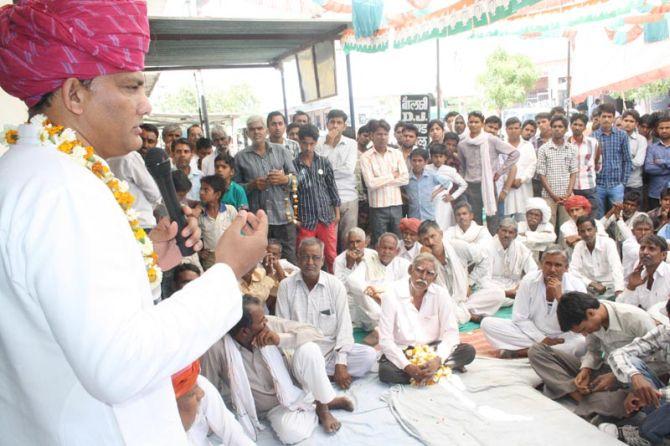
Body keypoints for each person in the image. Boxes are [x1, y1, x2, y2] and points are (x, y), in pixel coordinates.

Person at [0, 1, 270, 442]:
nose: (146, 105)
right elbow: (118, 363)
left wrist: (146, 259)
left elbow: (67, 306)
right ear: (74, 95)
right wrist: (227, 271)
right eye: (131, 87)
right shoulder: (63, 190)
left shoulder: (29, 171)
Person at [202, 295, 354, 444]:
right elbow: (208, 386)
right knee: (291, 434)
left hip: (294, 384)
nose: (266, 322)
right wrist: (208, 421)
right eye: (262, 321)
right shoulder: (217, 348)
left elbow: (315, 332)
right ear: (244, 332)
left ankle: (323, 407)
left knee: (310, 350)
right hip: (271, 408)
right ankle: (318, 401)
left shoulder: (269, 325)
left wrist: (280, 339)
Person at [529, 292, 657, 421]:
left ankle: (571, 392)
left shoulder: (635, 319)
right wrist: (586, 370)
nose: (585, 334)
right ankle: (579, 394)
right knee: (537, 351)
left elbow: (658, 362)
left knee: (626, 402)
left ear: (590, 313)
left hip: (633, 379)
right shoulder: (594, 320)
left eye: (584, 329)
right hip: (605, 371)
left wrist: (615, 376)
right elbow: (593, 351)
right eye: (581, 332)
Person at [277, 238, 377, 389]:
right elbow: (281, 328)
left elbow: (344, 327)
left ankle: (317, 377)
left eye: (315, 258)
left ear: (322, 260)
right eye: (305, 257)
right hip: (301, 353)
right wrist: (292, 361)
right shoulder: (286, 286)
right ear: (298, 259)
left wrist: (341, 363)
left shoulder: (335, 285)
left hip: (330, 352)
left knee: (368, 356)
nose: (310, 262)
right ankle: (316, 377)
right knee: (286, 359)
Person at [378, 253, 476, 384]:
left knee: (468, 352)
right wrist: (407, 366)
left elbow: (451, 332)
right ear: (410, 270)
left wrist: (437, 359)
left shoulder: (440, 294)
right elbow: (385, 340)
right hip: (404, 350)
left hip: (433, 350)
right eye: (419, 271)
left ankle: (429, 370)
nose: (423, 277)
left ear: (434, 277)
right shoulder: (391, 293)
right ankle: (432, 372)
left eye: (429, 274)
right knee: (386, 373)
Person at [480, 247, 587, 358]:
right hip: (533, 334)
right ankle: (545, 351)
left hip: (562, 336)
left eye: (558, 265)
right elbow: (520, 317)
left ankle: (524, 352)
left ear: (566, 268)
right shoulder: (529, 280)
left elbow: (580, 322)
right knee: (487, 324)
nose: (552, 269)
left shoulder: (577, 285)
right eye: (548, 264)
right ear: (541, 265)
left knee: (581, 344)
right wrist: (542, 339)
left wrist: (560, 297)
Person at [235, 115, 298, 264]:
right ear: (247, 133)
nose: (256, 132)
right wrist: (252, 185)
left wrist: (284, 179)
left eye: (260, 128)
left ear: (266, 130)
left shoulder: (281, 151)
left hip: (283, 215)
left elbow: (297, 179)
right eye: (252, 129)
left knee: (290, 259)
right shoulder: (240, 157)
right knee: (260, 260)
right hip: (258, 219)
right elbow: (235, 189)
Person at [603, 307, 670, 445]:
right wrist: (635, 377)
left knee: (647, 429)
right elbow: (617, 354)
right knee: (632, 363)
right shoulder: (667, 331)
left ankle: (646, 433)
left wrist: (655, 394)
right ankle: (657, 428)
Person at [419, 221, 505, 324]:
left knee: (498, 294)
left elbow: (484, 259)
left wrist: (470, 281)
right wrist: (425, 260)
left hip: (464, 299)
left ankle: (460, 313)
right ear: (421, 242)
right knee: (438, 307)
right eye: (426, 239)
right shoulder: (422, 257)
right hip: (442, 302)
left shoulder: (457, 246)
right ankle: (470, 316)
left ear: (441, 234)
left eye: (433, 236)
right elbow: (422, 287)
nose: (431, 242)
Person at [458, 111, 519, 232]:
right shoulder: (462, 144)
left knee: (493, 218)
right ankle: (477, 245)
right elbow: (462, 167)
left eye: (477, 122)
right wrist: (463, 182)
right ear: (467, 123)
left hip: (489, 185)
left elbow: (515, 153)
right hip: (471, 185)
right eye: (471, 122)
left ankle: (493, 245)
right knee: (474, 219)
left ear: (482, 123)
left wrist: (500, 172)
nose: (473, 125)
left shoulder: (491, 140)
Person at [293, 124, 341, 272]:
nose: (308, 147)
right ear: (299, 142)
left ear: (316, 142)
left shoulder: (323, 162)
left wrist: (337, 212)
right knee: (305, 255)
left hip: (326, 217)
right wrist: (295, 218)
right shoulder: (293, 165)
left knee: (331, 255)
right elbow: (292, 193)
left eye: (311, 144)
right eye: (305, 143)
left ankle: (335, 284)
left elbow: (332, 187)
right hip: (306, 219)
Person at [171, 360, 252, 446]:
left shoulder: (200, 383)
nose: (201, 393)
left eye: (197, 386)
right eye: (191, 394)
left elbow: (233, 433)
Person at [345, 233, 411, 333]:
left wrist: (380, 292)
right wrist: (372, 292)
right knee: (361, 291)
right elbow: (352, 280)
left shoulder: (404, 264)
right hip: (371, 312)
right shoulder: (368, 261)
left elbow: (406, 285)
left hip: (394, 308)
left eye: (390, 249)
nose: (386, 252)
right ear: (377, 248)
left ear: (397, 251)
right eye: (383, 248)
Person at [359, 119, 409, 245]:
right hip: (377, 208)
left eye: (385, 134)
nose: (383, 137)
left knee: (398, 240)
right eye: (379, 134)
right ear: (371, 136)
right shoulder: (366, 157)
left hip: (396, 204)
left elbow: (405, 179)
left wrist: (380, 180)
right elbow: (370, 184)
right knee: (380, 241)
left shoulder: (396, 153)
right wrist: (392, 175)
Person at [316, 109, 359, 253]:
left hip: (348, 198)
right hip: (326, 199)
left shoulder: (352, 143)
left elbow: (348, 169)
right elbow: (317, 170)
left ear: (344, 126)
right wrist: (328, 144)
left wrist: (325, 172)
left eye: (339, 123)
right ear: (327, 124)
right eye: (332, 122)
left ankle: (348, 270)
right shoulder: (319, 143)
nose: (335, 126)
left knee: (349, 240)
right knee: (329, 243)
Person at [536, 115, 578, 232]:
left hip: (567, 196)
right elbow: (541, 174)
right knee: (548, 228)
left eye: (560, 126)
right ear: (551, 128)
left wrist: (568, 193)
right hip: (549, 196)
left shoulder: (572, 148)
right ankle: (549, 250)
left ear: (565, 129)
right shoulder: (544, 149)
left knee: (566, 228)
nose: (557, 129)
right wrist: (553, 195)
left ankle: (564, 250)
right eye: (554, 126)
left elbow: (573, 172)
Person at [569, 216, 624, 300]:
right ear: (578, 233)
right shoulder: (579, 247)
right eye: (582, 231)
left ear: (595, 229)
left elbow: (616, 267)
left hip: (610, 289)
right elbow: (573, 270)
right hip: (589, 290)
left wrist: (619, 290)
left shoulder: (608, 243)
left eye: (589, 230)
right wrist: (591, 283)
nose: (587, 234)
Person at [107, 146, 161, 231]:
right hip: (142, 222)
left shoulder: (105, 155)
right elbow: (154, 194)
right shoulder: (129, 156)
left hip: (120, 223)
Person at [617, 235, 670, 322]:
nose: (645, 252)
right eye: (642, 248)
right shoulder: (639, 274)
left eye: (651, 249)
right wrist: (631, 287)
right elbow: (622, 309)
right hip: (645, 324)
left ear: (663, 255)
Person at [593, 103, 632, 218]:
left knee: (616, 217)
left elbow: (627, 160)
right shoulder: (592, 137)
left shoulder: (622, 135)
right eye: (604, 116)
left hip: (616, 184)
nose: (606, 119)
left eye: (609, 117)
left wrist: (623, 183)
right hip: (598, 184)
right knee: (599, 217)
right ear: (599, 118)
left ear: (614, 118)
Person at [484, 218, 538, 301]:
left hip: (515, 288)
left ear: (515, 235)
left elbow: (533, 270)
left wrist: (521, 286)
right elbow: (484, 278)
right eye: (504, 231)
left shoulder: (520, 248)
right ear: (498, 231)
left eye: (510, 232)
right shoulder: (488, 247)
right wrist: (504, 293)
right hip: (493, 287)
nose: (506, 235)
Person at [198, 175, 238, 271]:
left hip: (230, 254)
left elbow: (239, 232)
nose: (201, 192)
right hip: (210, 257)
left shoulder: (230, 210)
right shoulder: (200, 214)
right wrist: (200, 252)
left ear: (217, 194)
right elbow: (197, 237)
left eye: (206, 190)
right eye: (201, 189)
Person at [426, 142, 467, 229]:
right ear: (431, 157)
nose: (438, 159)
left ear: (445, 158)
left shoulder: (450, 170)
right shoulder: (426, 169)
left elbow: (463, 185)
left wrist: (452, 196)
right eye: (435, 156)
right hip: (428, 203)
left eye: (441, 156)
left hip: (443, 203)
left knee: (444, 227)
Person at [503, 117, 537, 221]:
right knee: (504, 220)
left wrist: (521, 180)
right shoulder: (501, 145)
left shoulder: (528, 146)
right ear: (506, 130)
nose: (513, 131)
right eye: (510, 128)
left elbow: (532, 165)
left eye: (516, 128)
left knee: (523, 220)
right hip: (505, 188)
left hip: (523, 188)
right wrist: (508, 181)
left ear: (520, 129)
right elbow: (498, 166)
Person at [406, 148, 453, 221]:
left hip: (429, 215)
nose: (417, 163)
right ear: (410, 161)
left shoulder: (431, 175)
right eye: (414, 160)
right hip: (413, 216)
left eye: (420, 160)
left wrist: (435, 193)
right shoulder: (407, 178)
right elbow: (399, 189)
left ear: (425, 162)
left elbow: (447, 183)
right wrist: (407, 197)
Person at [569, 113, 601, 217]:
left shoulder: (593, 142)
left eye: (580, 125)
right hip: (572, 187)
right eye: (575, 124)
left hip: (589, 186)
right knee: (575, 218)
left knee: (592, 217)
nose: (577, 127)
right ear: (570, 125)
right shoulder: (566, 143)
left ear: (585, 127)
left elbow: (598, 162)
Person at [517, 197, 557, 262]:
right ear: (526, 215)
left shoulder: (548, 226)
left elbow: (552, 237)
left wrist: (526, 234)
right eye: (531, 214)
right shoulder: (520, 225)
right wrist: (540, 239)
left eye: (536, 215)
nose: (533, 217)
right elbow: (516, 239)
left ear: (541, 218)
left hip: (542, 259)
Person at [644, 115, 670, 211]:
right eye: (661, 128)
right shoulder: (652, 148)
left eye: (667, 128)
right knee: (655, 220)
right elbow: (648, 168)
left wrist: (662, 162)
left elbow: (654, 167)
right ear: (657, 130)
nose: (664, 130)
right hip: (655, 193)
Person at [621, 110, 648, 196]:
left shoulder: (641, 140)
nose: (628, 123)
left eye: (631, 121)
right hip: (617, 183)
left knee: (635, 209)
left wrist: (620, 164)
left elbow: (639, 162)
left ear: (636, 124)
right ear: (622, 121)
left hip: (634, 183)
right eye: (626, 120)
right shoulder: (615, 138)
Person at [622, 213, 655, 279]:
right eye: (639, 229)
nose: (643, 233)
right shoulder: (628, 243)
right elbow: (643, 254)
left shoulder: (655, 242)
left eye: (646, 229)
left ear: (652, 231)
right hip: (629, 284)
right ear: (633, 231)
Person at [173, 137, 203, 202]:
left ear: (192, 154)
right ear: (173, 154)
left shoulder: (200, 176)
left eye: (186, 152)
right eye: (178, 151)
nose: (182, 155)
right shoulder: (168, 177)